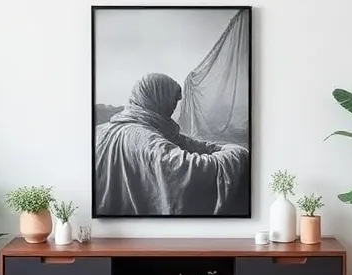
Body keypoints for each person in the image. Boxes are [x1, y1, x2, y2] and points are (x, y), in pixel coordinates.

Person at [95, 73, 249, 216]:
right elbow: (189, 170)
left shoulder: (120, 126)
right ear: (157, 99)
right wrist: (235, 153)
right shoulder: (142, 136)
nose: (173, 108)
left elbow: (184, 143)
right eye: (172, 101)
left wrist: (216, 148)